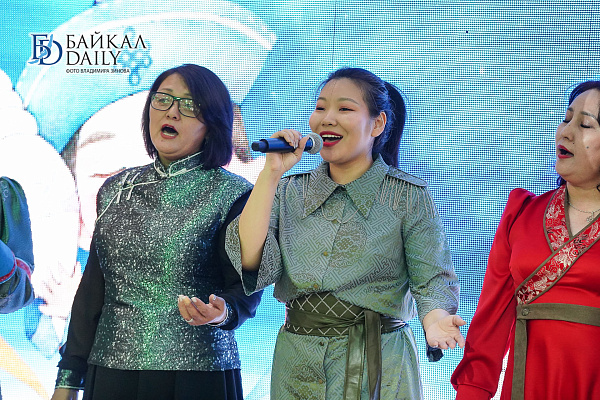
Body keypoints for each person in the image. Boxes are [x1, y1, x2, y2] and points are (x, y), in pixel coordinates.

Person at [225, 67, 465, 399]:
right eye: (321, 107)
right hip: (298, 362)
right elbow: (251, 260)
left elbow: (432, 279)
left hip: (378, 363)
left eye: (345, 108)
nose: (328, 118)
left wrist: (436, 318)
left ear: (377, 124)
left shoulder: (407, 196)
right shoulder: (289, 191)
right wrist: (271, 173)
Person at [50, 64, 262, 400]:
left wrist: (223, 312)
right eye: (163, 100)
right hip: (111, 373)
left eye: (189, 105)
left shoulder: (234, 194)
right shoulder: (115, 190)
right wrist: (68, 379)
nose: (172, 112)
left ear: (212, 124)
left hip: (196, 376)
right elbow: (93, 291)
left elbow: (245, 286)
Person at [451, 80, 600, 399]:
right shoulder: (522, 212)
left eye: (585, 124)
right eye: (566, 119)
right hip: (525, 386)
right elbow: (488, 330)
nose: (565, 132)